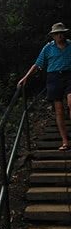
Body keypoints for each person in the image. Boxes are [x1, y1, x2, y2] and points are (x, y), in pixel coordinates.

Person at [19, 22, 71, 150]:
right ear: (53, 36)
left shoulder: (70, 45)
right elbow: (37, 64)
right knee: (59, 110)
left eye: (61, 33)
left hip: (69, 75)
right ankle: (65, 141)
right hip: (54, 78)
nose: (59, 35)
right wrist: (26, 77)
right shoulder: (48, 48)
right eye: (57, 34)